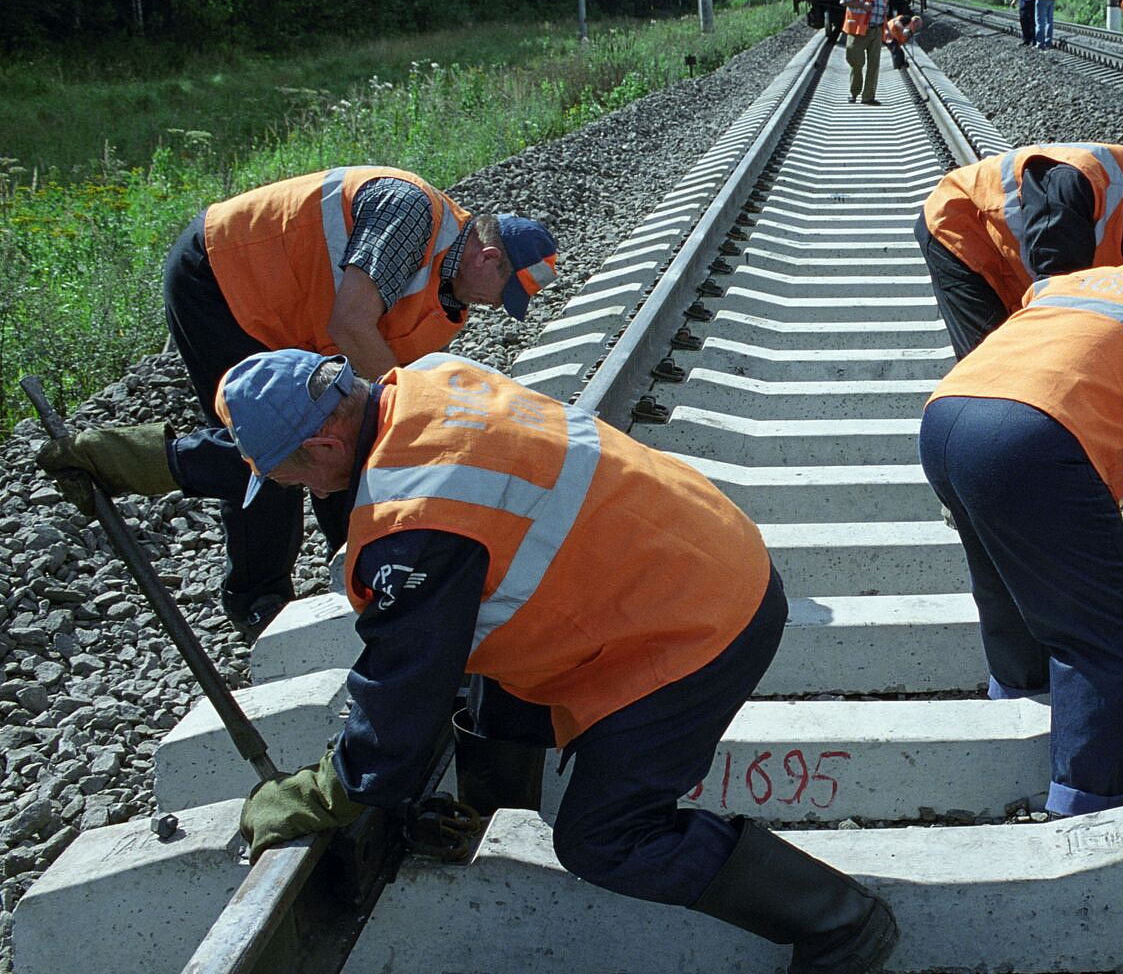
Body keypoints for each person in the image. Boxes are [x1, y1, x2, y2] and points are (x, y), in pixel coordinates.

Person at [213, 348, 899, 973]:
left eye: (294, 476)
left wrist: (335, 788)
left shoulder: (415, 516)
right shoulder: (425, 381)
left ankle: (844, 924)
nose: (310, 493)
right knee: (486, 665)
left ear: (325, 442)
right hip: (700, 554)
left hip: (695, 632)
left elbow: (405, 682)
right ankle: (487, 814)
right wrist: (152, 459)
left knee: (606, 839)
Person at [35, 166, 556, 637]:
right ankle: (257, 601)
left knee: (344, 438)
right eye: (504, 291)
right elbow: (351, 325)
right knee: (276, 445)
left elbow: (364, 414)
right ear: (487, 256)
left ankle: (353, 568)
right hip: (226, 280)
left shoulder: (448, 301)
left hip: (295, 316)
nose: (496, 306)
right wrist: (413, 423)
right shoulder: (410, 213)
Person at [919, 207, 1123, 818]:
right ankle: (1081, 808)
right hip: (1030, 442)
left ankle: (1017, 706)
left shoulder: (1064, 283)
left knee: (1005, 585)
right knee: (1111, 634)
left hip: (945, 420)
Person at [917, 143, 1123, 357]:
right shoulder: (1077, 184)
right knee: (993, 356)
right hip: (962, 228)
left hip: (1015, 255)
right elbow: (1058, 298)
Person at [839, 0, 892, 106]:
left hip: (876, 29)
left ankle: (868, 97)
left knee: (874, 64)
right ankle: (854, 91)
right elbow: (844, 0)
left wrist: (885, 28)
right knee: (856, 62)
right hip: (859, 29)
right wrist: (863, 6)